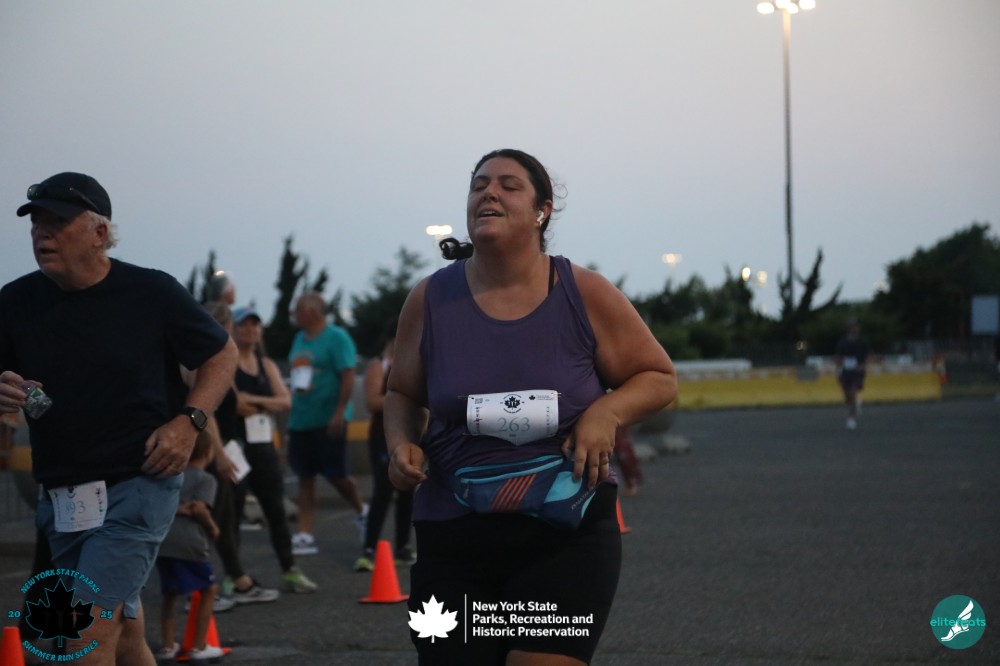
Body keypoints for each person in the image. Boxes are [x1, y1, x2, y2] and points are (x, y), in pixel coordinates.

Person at [384, 149, 677, 665]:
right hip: (454, 533)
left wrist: (605, 413)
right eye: (479, 185)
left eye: (508, 185)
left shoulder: (584, 292)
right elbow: (403, 392)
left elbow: (658, 377)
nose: (489, 193)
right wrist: (400, 445)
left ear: (543, 211)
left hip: (562, 532)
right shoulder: (429, 299)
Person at [0, 172, 237, 665]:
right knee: (125, 634)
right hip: (64, 493)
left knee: (83, 630)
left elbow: (222, 353)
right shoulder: (16, 301)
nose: (42, 233)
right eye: (37, 222)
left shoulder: (151, 292)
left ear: (100, 232)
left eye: (57, 222)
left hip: (139, 481)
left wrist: (188, 422)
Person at [201, 302, 283, 604]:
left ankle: (235, 580)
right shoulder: (206, 361)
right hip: (212, 451)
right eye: (231, 327)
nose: (236, 333)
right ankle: (203, 588)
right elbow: (211, 410)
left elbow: (250, 402)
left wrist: (254, 402)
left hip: (226, 447)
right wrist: (220, 454)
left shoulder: (219, 360)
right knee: (211, 520)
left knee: (223, 519)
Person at [231, 305, 317, 592]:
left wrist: (256, 401)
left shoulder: (265, 364)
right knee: (233, 513)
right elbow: (235, 403)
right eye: (243, 325)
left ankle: (289, 569)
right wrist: (264, 403)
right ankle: (233, 575)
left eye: (254, 325)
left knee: (276, 511)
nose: (250, 330)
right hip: (235, 447)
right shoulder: (227, 362)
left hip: (263, 445)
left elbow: (285, 401)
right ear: (233, 329)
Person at [287, 292, 367, 557]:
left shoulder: (337, 337)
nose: (294, 313)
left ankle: (362, 510)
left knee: (336, 474)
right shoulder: (299, 338)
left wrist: (340, 411)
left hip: (328, 416)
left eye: (298, 309)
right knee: (304, 476)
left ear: (313, 311)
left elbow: (348, 375)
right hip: (302, 418)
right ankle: (304, 533)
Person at [154, 430, 224, 661]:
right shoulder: (206, 479)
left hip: (163, 541)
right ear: (208, 452)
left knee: (170, 592)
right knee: (208, 589)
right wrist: (212, 527)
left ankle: (168, 646)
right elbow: (199, 508)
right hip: (189, 543)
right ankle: (199, 646)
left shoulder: (171, 476)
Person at [354, 316, 415, 572]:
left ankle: (402, 546)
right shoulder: (378, 365)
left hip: (410, 434)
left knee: (408, 490)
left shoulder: (410, 362)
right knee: (383, 489)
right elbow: (372, 401)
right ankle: (369, 548)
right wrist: (403, 399)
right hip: (383, 435)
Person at [835, 317, 870, 430]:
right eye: (851, 326)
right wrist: (838, 370)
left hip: (857, 371)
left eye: (855, 326)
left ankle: (851, 418)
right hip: (846, 371)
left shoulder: (862, 342)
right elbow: (839, 358)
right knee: (847, 396)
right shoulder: (842, 342)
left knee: (853, 392)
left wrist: (862, 366)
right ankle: (856, 403)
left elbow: (867, 357)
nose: (853, 329)